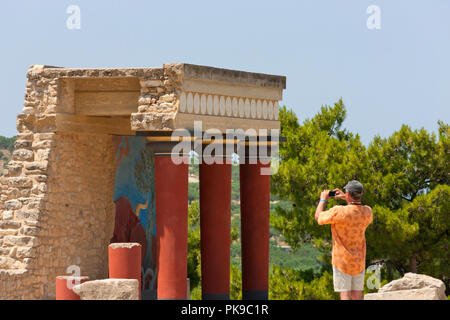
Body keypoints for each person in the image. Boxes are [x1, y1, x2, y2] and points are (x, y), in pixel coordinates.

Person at [314, 180, 373, 300]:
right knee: (357, 294)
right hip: (359, 260)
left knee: (345, 294)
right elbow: (356, 208)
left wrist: (323, 200)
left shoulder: (339, 211)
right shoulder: (367, 212)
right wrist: (346, 197)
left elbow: (318, 217)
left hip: (342, 261)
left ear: (348, 194)